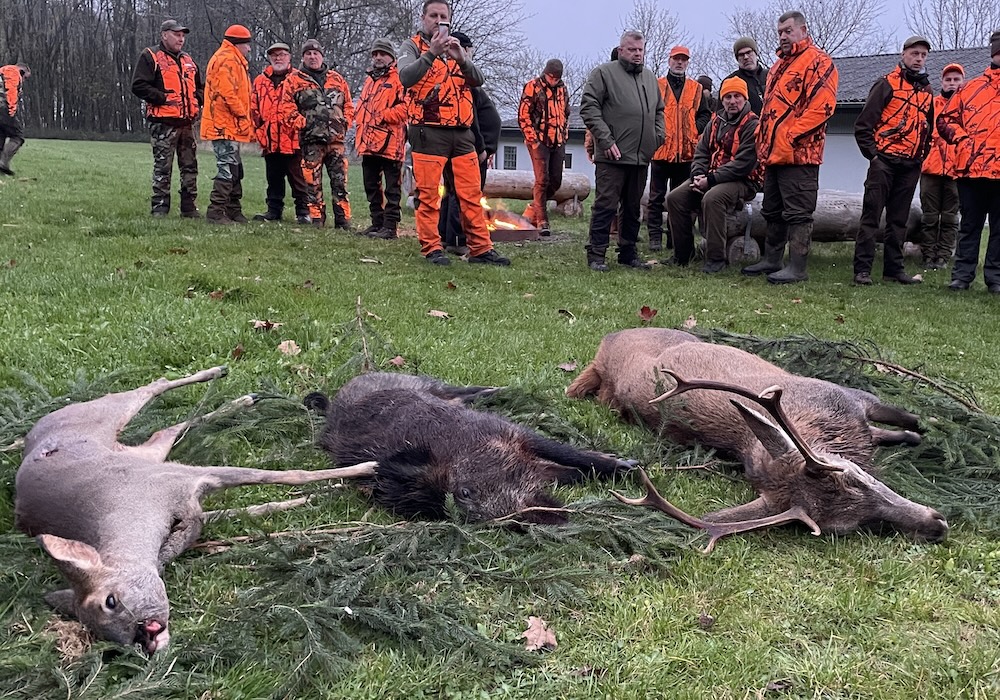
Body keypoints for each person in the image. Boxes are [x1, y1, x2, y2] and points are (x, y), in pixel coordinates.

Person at [397, 0, 510, 266]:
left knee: (471, 195)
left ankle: (481, 249)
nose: (438, 20)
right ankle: (432, 248)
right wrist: (431, 54)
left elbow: (478, 80)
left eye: (443, 16)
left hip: (462, 133)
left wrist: (462, 59)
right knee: (428, 196)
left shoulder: (455, 49)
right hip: (428, 131)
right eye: (433, 15)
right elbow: (405, 77)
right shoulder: (411, 47)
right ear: (423, 18)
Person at [742, 11, 838, 284]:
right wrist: (764, 136)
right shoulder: (778, 67)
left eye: (788, 30)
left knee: (798, 212)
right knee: (773, 209)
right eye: (780, 32)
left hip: (800, 155)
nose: (783, 36)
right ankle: (772, 259)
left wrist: (791, 136)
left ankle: (798, 268)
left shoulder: (819, 62)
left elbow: (823, 107)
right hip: (774, 155)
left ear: (803, 29)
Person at [852, 36, 934, 286]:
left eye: (923, 55)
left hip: (910, 165)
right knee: (871, 217)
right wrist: (874, 157)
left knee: (899, 221)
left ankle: (893, 270)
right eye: (914, 53)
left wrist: (921, 158)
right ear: (903, 54)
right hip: (884, 162)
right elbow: (863, 126)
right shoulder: (886, 84)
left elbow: (928, 131)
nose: (919, 58)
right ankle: (862, 270)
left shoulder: (928, 92)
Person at [580, 30, 665, 272]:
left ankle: (628, 253)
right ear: (621, 50)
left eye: (641, 50)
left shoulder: (649, 78)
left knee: (632, 207)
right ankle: (596, 254)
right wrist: (606, 140)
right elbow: (589, 107)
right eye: (632, 50)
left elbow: (659, 110)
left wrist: (657, 138)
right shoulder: (603, 73)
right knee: (605, 205)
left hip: (640, 156)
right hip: (612, 156)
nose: (637, 54)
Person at [666, 77, 762, 273]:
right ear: (722, 99)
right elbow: (701, 152)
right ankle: (683, 254)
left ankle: (716, 259)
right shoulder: (715, 121)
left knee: (713, 198)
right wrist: (698, 175)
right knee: (674, 198)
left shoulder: (753, 124)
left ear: (744, 98)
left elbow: (743, 164)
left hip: (742, 180)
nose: (732, 101)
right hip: (710, 176)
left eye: (737, 96)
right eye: (727, 96)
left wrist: (710, 181)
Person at [938, 30, 1000, 294]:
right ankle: (962, 276)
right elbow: (944, 120)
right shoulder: (970, 88)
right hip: (971, 170)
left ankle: (995, 278)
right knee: (970, 226)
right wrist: (962, 140)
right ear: (994, 53)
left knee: (999, 229)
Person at [130, 20, 203, 218]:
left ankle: (189, 208)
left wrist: (197, 100)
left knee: (190, 167)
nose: (181, 38)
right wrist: (162, 97)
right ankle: (160, 208)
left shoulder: (189, 60)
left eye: (183, 35)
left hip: (187, 123)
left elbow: (200, 87)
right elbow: (138, 85)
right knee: (163, 167)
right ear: (164, 35)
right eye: (177, 34)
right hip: (163, 124)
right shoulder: (150, 56)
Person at [438, 30, 501, 255]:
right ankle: (457, 239)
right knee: (464, 193)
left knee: (452, 191)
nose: (471, 54)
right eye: (469, 49)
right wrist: (481, 148)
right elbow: (469, 117)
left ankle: (446, 236)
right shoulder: (460, 80)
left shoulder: (464, 77)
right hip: (470, 149)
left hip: (470, 147)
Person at [647, 45, 712, 253]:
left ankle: (674, 238)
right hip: (661, 152)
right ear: (669, 60)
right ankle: (654, 237)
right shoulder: (656, 85)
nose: (679, 62)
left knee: (679, 199)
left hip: (686, 154)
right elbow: (649, 114)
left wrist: (693, 131)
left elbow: (705, 115)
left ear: (688, 62)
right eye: (676, 59)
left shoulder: (696, 88)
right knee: (656, 198)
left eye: (683, 59)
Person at [250, 42, 313, 223]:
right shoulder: (260, 81)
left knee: (298, 178)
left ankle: (303, 212)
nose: (278, 58)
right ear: (269, 58)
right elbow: (254, 108)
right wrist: (260, 131)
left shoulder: (299, 79)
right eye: (274, 55)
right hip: (270, 139)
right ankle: (273, 211)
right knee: (273, 178)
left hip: (294, 139)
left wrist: (302, 128)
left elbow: (308, 108)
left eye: (282, 55)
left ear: (289, 57)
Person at [354, 37, 408, 239]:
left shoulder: (400, 78)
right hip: (368, 143)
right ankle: (376, 223)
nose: (378, 57)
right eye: (375, 54)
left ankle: (390, 227)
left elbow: (407, 108)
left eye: (382, 54)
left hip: (391, 144)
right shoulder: (369, 80)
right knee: (371, 186)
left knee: (392, 189)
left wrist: (383, 116)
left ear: (391, 57)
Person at [200, 25, 254, 225]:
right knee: (227, 168)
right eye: (246, 44)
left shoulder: (233, 59)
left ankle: (233, 210)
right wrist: (242, 114)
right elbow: (227, 93)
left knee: (235, 167)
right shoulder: (226, 60)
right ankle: (215, 212)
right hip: (222, 125)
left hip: (229, 125)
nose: (249, 48)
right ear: (237, 43)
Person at [299, 39, 355, 229]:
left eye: (315, 53)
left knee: (340, 183)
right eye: (308, 53)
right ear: (303, 57)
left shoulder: (337, 79)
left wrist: (345, 122)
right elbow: (286, 108)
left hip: (336, 142)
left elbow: (348, 104)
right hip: (311, 142)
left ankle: (343, 219)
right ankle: (317, 219)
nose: (312, 57)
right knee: (312, 183)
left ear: (322, 56)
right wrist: (302, 124)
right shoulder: (295, 80)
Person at [919, 63, 965, 270]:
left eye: (956, 79)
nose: (952, 83)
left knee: (950, 217)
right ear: (942, 82)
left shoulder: (968, 107)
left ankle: (944, 256)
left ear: (962, 82)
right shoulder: (931, 104)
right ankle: (928, 255)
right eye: (948, 80)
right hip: (930, 168)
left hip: (957, 170)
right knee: (929, 216)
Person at [518, 58, 570, 235]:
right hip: (539, 141)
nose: (553, 80)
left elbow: (566, 113)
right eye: (551, 77)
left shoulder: (563, 89)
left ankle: (533, 209)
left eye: (556, 78)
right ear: (545, 73)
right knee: (542, 180)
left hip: (558, 141)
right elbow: (523, 115)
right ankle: (542, 221)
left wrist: (564, 135)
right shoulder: (532, 86)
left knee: (556, 181)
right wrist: (533, 140)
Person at [0, 62, 31, 176]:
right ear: (22, 71)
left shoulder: (2, 71)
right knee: (18, 136)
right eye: (25, 78)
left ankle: (1, 169)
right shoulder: (13, 72)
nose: (24, 80)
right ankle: (3, 162)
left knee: (1, 135)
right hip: (3, 107)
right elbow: (11, 90)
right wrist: (12, 109)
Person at [726, 38, 768, 115]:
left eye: (749, 52)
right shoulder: (730, 82)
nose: (746, 57)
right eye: (741, 55)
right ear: (737, 59)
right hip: (748, 126)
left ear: (756, 53)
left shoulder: (771, 75)